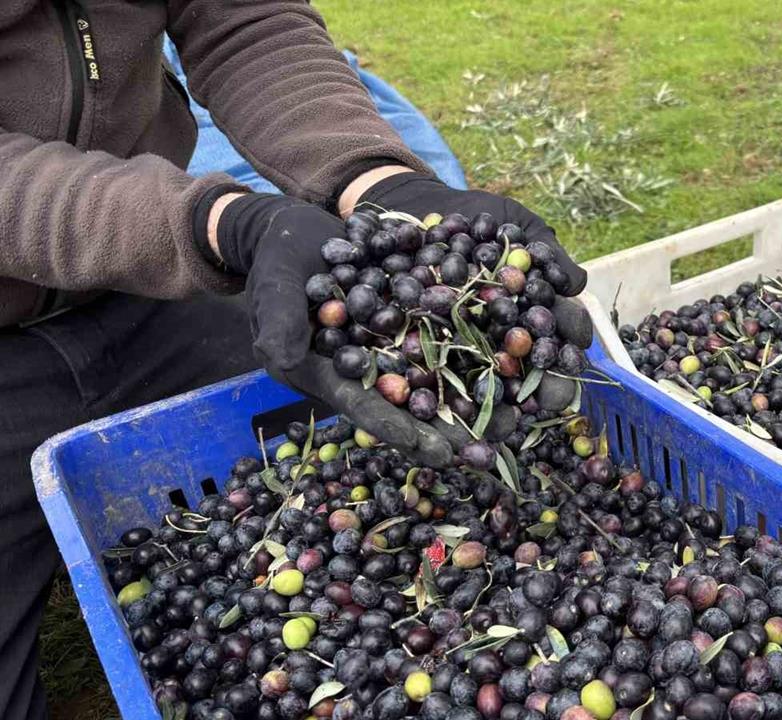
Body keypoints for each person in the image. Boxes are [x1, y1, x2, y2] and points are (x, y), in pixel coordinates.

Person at [0, 2, 585, 716]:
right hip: (121, 248)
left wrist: (375, 181)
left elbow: (244, 19)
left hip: (143, 278)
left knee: (349, 443)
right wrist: (215, 221)